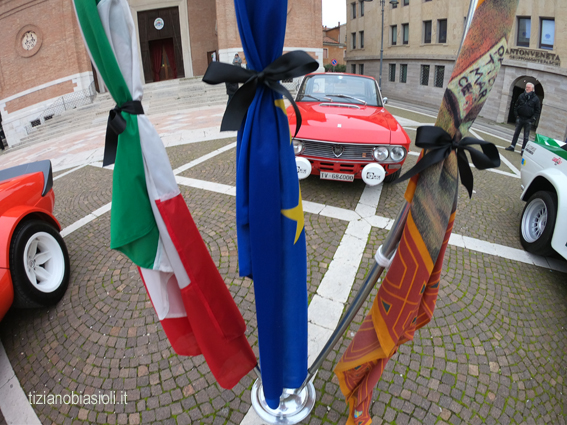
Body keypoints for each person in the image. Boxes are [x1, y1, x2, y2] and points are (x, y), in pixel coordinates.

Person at [506, 82, 541, 155]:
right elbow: (516, 105)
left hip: (528, 119)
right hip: (520, 117)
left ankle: (523, 150)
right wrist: (516, 115)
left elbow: (537, 110)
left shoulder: (536, 99)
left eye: (528, 87)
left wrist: (532, 119)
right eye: (526, 87)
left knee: (526, 136)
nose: (527, 88)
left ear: (532, 89)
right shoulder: (521, 95)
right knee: (516, 133)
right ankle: (512, 146)